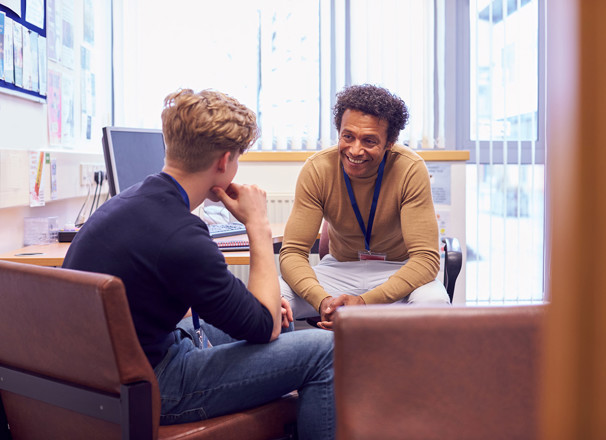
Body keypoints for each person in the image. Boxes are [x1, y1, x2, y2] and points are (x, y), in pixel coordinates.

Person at [63, 88, 335, 439]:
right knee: (324, 350)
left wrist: (264, 314)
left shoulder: (130, 200)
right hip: (152, 385)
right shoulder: (181, 235)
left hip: (104, 371)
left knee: (281, 321)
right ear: (224, 162)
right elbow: (262, 326)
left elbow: (254, 315)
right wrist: (258, 225)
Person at [279, 84, 450, 330]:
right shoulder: (318, 169)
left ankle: (410, 370)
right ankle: (299, 365)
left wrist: (365, 302)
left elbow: (425, 259)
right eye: (348, 136)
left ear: (389, 142)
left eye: (369, 140)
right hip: (339, 271)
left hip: (397, 271)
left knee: (434, 304)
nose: (355, 150)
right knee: (272, 297)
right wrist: (323, 301)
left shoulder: (410, 169)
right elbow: (293, 252)